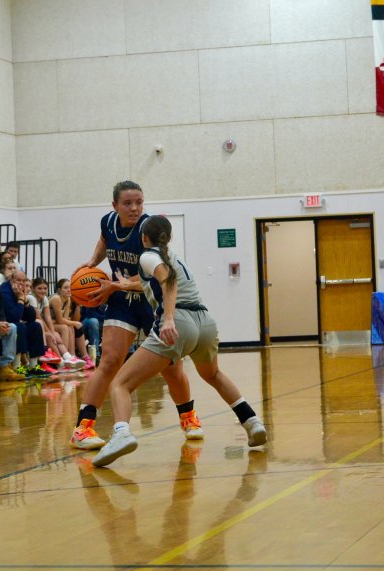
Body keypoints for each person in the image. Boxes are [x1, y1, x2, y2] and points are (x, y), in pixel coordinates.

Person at [92, 216, 267, 467]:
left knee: (120, 383)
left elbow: (168, 281)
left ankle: (121, 434)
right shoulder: (173, 256)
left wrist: (169, 319)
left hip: (180, 322)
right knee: (213, 375)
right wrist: (120, 287)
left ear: (143, 238)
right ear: (169, 237)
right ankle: (251, 421)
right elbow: (153, 282)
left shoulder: (147, 256)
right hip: (204, 322)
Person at [70, 181, 199, 450]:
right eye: (128, 203)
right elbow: (105, 241)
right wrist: (93, 263)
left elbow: (157, 280)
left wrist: (116, 285)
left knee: (172, 367)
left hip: (150, 301)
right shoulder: (108, 222)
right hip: (122, 301)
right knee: (109, 361)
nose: (135, 208)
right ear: (114, 206)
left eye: (139, 202)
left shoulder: (148, 230)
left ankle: (189, 418)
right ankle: (83, 428)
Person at [0, 269, 49, 378]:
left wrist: (25, 301)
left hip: (13, 323)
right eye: (18, 280)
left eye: (23, 281)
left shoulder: (19, 291)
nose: (21, 283)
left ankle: (33, 366)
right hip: (2, 326)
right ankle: (17, 366)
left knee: (35, 326)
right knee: (19, 327)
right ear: (11, 280)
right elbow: (14, 317)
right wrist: (21, 299)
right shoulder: (4, 292)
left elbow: (31, 317)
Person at [29, 277, 87, 371]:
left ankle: (70, 356)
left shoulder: (45, 299)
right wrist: (51, 332)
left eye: (45, 288)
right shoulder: (33, 298)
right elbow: (40, 318)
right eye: (39, 288)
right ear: (33, 289)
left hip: (45, 325)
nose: (43, 291)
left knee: (65, 329)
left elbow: (51, 317)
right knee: (60, 330)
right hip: (35, 326)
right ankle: (63, 361)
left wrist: (52, 332)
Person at [48, 279, 88, 369]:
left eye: (70, 288)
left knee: (69, 326)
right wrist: (75, 322)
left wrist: (72, 323)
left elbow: (64, 319)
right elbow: (61, 321)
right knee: (64, 328)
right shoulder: (56, 298)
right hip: (46, 324)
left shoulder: (68, 299)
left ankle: (72, 355)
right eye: (65, 288)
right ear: (59, 290)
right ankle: (65, 357)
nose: (69, 290)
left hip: (53, 322)